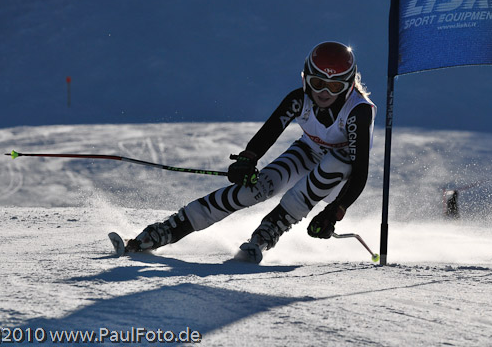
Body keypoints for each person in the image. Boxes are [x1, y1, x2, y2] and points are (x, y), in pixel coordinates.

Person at [124, 41, 377, 263]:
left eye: (334, 87)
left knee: (338, 161)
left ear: (348, 85)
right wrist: (247, 159)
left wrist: (336, 210)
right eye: (318, 83)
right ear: (306, 78)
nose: (323, 93)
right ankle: (168, 229)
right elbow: (270, 130)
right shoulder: (299, 99)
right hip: (306, 153)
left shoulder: (358, 111)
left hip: (340, 178)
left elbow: (360, 169)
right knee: (253, 189)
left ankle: (273, 226)